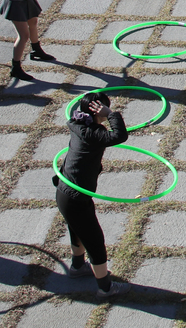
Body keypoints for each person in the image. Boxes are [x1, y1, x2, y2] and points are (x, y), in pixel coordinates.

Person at [55, 93, 130, 299]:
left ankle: (78, 267)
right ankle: (105, 288)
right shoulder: (93, 133)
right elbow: (119, 136)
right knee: (95, 242)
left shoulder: (77, 123)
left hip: (66, 192)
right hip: (75, 196)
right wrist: (112, 114)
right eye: (104, 110)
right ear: (99, 111)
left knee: (77, 230)